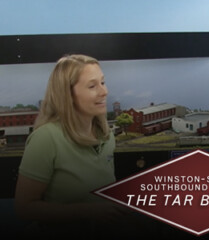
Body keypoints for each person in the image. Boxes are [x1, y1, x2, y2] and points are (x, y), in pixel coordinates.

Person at [14, 54, 130, 237]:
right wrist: (89, 212)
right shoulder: (46, 138)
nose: (104, 91)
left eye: (103, 82)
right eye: (92, 86)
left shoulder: (106, 136)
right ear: (67, 94)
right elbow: (24, 208)